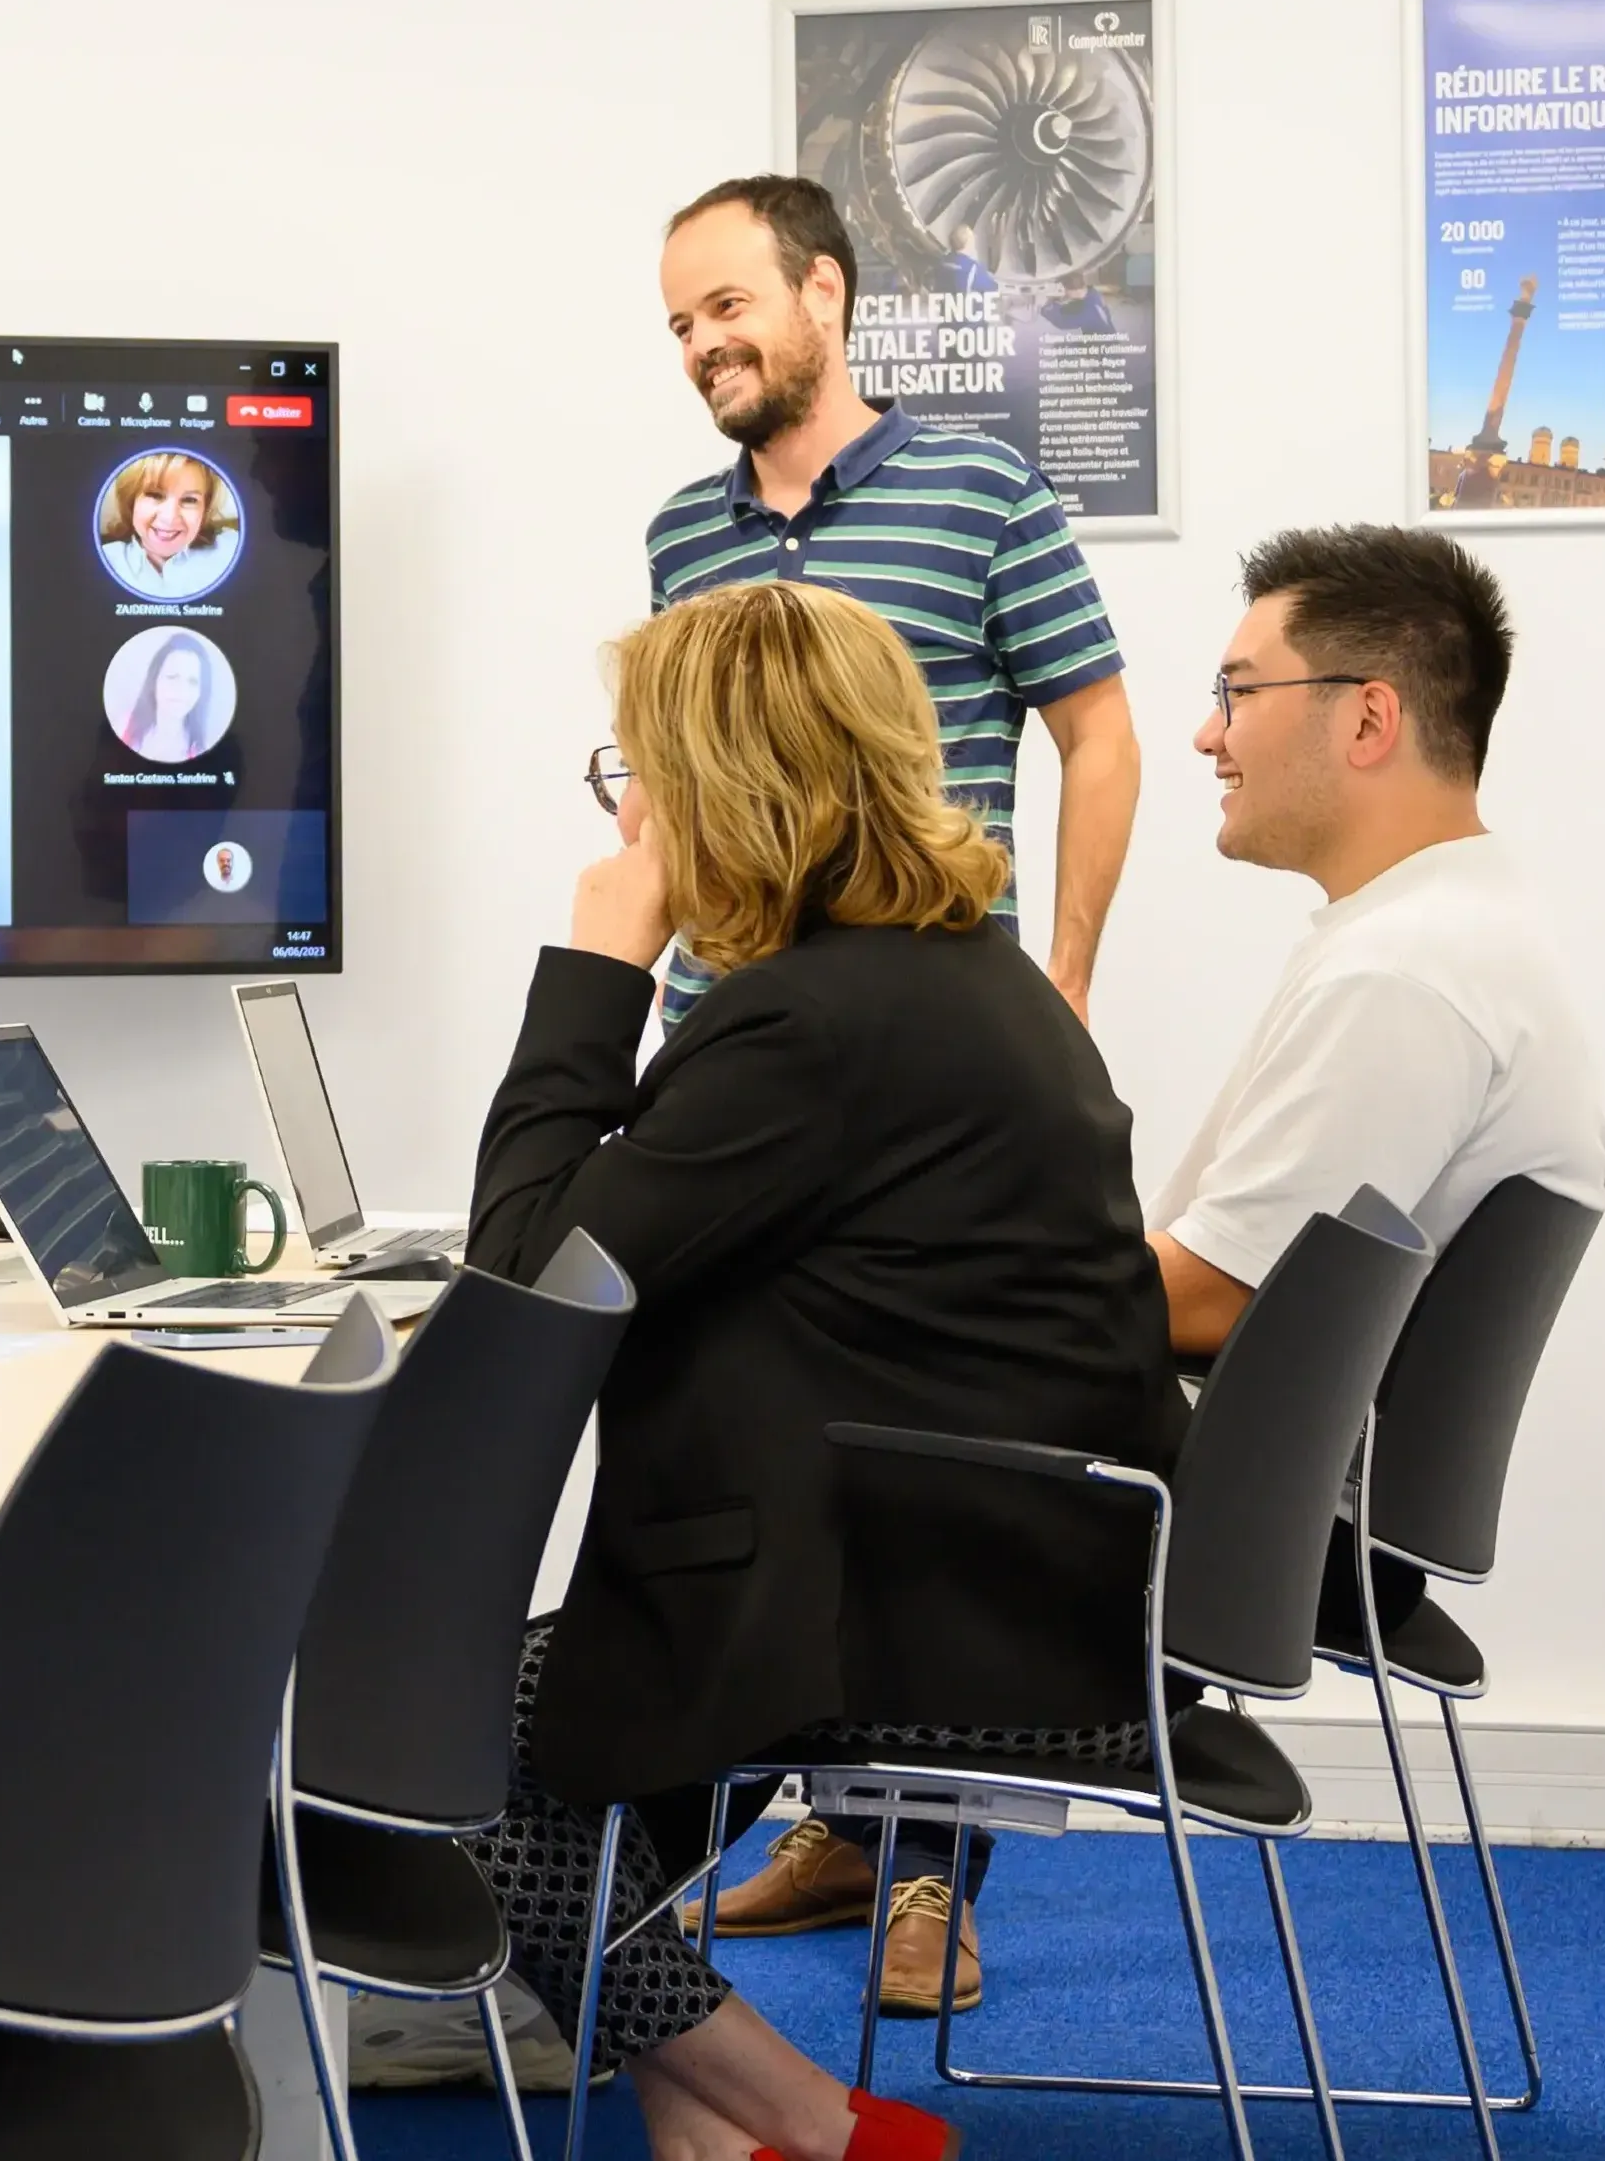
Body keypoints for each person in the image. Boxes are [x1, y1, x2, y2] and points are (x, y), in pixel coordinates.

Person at [469, 582, 1183, 2161]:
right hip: (1016, 1576)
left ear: (717, 787)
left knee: (427, 1743)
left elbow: (524, 1285)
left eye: (636, 771)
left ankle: (816, 2119)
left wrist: (592, 969)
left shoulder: (811, 1024)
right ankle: (715, 2132)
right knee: (553, 1713)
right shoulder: (948, 975)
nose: (626, 807)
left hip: (935, 1615)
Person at [656, 174, 1143, 2004]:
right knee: (735, 1437)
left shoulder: (982, 492)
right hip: (733, 1053)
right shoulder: (676, 535)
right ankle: (826, 1808)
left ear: (821, 292)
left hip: (933, 1065)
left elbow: (1093, 728)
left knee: (930, 1468)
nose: (705, 344)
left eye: (726, 305)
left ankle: (934, 1859)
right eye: (677, 325)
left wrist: (1063, 974)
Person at [1150, 524, 1605, 1361]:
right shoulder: (1444, 929)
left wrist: (962, 1274)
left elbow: (1221, 1292)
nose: (1207, 736)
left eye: (1237, 694)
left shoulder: (1404, 970)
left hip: (1160, 1474)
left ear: (1367, 719)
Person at [96, 449, 242, 601]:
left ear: (204, 509)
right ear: (131, 502)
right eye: (155, 495)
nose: (170, 517)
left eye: (189, 500)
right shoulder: (103, 561)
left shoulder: (232, 548)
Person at [118, 631, 221, 762]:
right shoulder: (124, 728)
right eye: (172, 677)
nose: (182, 690)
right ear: (154, 680)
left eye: (192, 682)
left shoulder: (205, 750)